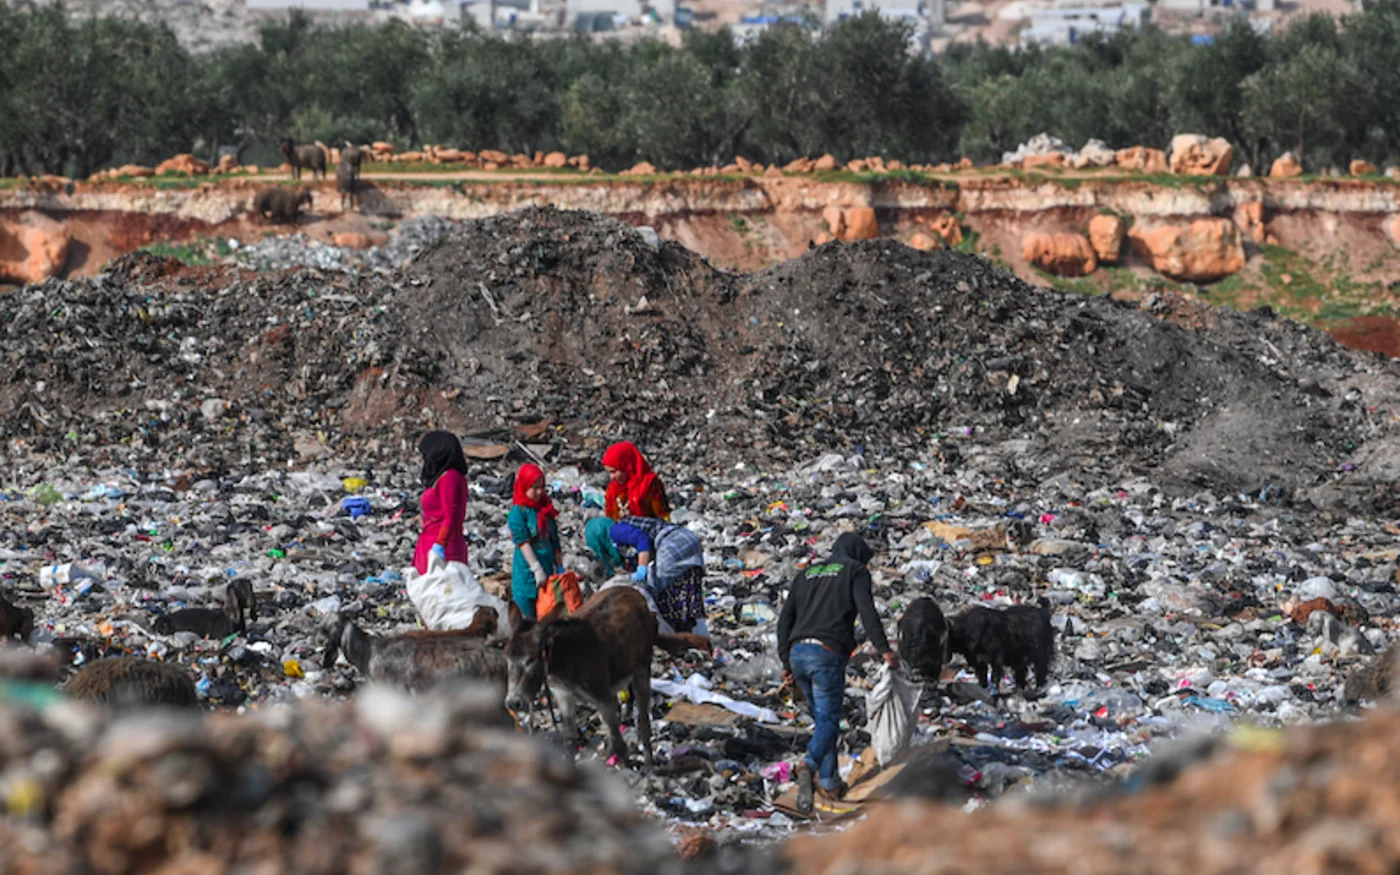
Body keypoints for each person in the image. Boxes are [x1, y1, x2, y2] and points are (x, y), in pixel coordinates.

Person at [776, 533, 899, 815]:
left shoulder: (806, 573)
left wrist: (786, 662)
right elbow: (867, 613)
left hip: (797, 653)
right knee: (829, 721)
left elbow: (785, 621)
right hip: (826, 654)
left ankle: (830, 782)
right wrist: (884, 650)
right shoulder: (855, 571)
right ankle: (808, 764)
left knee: (822, 720)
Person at [610, 516, 705, 633]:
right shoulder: (624, 533)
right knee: (682, 589)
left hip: (673, 542)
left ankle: (672, 635)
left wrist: (642, 569)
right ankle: (689, 634)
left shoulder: (614, 530)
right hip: (689, 539)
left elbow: (641, 538)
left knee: (655, 593)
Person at [508, 463, 563, 618]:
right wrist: (536, 568)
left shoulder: (545, 509)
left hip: (547, 567)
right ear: (524, 487)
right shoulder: (518, 512)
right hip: (526, 571)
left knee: (546, 616)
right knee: (525, 618)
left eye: (542, 487)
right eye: (534, 488)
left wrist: (559, 567)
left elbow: (555, 540)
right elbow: (523, 542)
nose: (540, 492)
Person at [413, 431, 470, 576]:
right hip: (431, 543)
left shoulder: (449, 478)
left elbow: (450, 517)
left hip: (444, 547)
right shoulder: (444, 477)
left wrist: (439, 547)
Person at [602, 442, 670, 521]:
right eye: (609, 472)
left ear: (627, 466)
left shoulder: (649, 483)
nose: (611, 477)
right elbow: (610, 519)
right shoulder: (613, 490)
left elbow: (663, 516)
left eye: (614, 472)